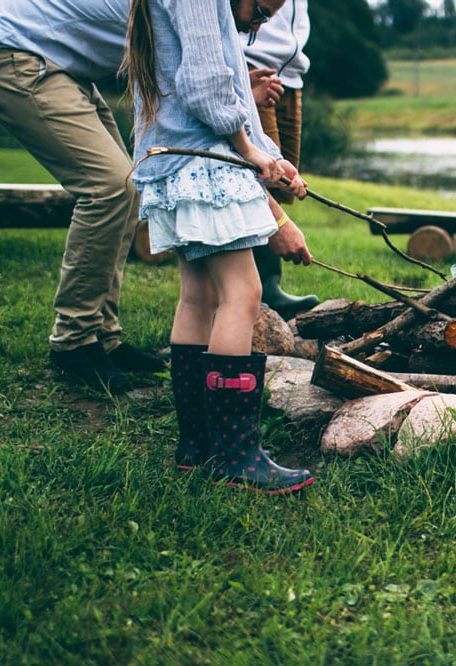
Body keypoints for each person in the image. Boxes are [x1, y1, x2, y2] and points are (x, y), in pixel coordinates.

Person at [125, 0, 314, 494]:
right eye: (262, 8)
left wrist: (274, 161)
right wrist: (252, 154)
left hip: (174, 159)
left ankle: (198, 445)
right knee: (243, 294)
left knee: (199, 297)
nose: (261, 21)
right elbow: (207, 85)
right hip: (202, 162)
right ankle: (236, 455)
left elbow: (227, 96)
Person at [0, 0, 168, 394]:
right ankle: (73, 341)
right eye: (258, 13)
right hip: (12, 48)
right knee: (110, 187)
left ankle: (103, 335)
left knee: (127, 188)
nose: (255, 26)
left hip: (60, 61)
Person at [242, 0, 320, 320]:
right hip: (253, 64)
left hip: (292, 72)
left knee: (283, 180)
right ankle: (261, 285)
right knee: (259, 175)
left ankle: (264, 283)